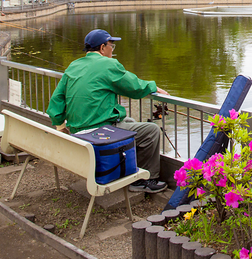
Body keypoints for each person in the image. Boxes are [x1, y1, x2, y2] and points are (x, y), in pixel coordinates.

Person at [47, 29, 169, 194]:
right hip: (99, 134)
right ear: (103, 47)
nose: (113, 50)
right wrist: (153, 87)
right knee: (151, 131)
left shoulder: (73, 65)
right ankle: (145, 180)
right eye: (112, 46)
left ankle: (128, 168)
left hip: (77, 132)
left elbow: (56, 100)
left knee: (130, 123)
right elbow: (133, 86)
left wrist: (61, 126)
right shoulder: (108, 64)